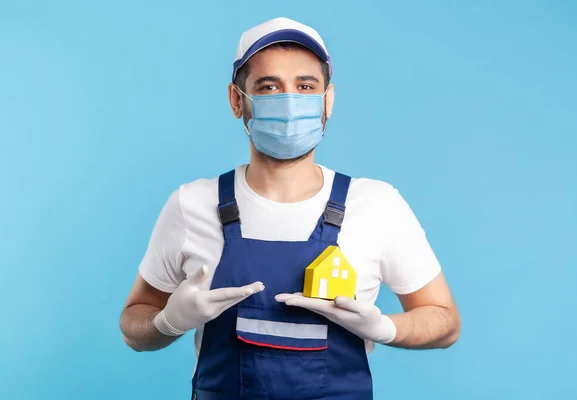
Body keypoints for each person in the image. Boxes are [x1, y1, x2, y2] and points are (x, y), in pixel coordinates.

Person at [119, 17, 461, 400]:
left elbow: (445, 322)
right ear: (237, 100)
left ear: (327, 100)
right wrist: (166, 322)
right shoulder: (192, 204)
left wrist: (384, 327)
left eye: (305, 86)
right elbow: (134, 327)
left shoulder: (377, 205)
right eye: (269, 87)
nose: (289, 101)